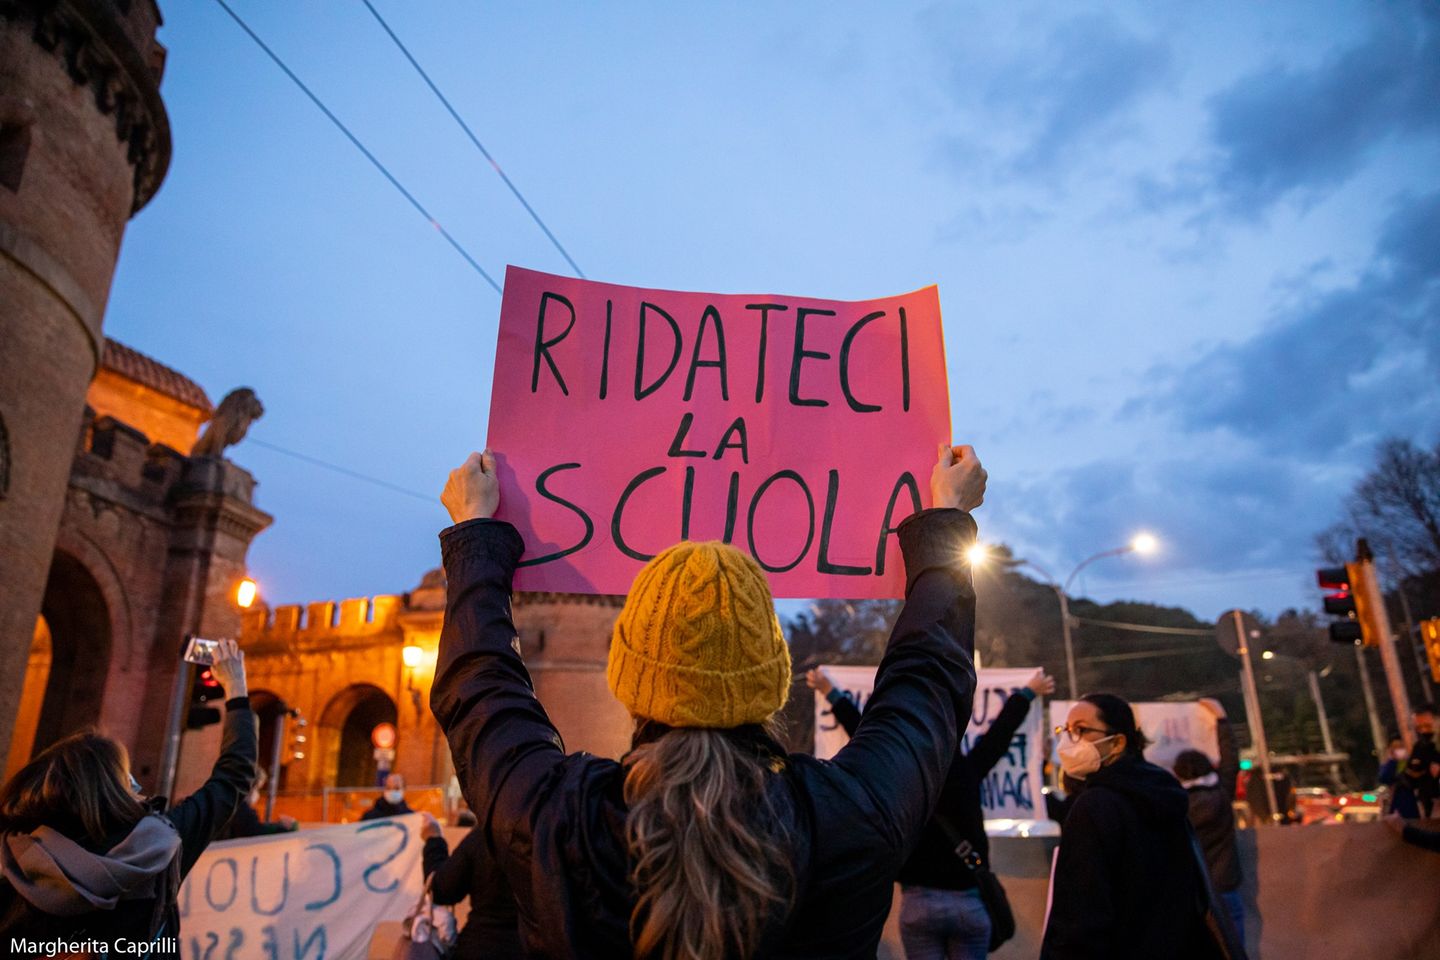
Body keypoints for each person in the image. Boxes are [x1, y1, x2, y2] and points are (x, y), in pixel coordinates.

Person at [431, 443, 986, 959]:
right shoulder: (848, 814)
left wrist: (477, 534)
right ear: (769, 678)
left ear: (629, 680)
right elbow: (927, 683)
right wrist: (945, 528)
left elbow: (481, 687)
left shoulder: (557, 818)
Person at [0, 639, 256, 951]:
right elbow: (234, 776)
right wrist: (237, 688)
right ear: (111, 789)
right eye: (126, 777)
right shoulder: (154, 848)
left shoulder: (11, 858)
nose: (135, 785)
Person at [807, 665, 1053, 959]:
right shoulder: (966, 771)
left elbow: (864, 733)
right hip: (969, 903)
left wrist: (830, 692)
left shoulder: (901, 777)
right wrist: (1027, 693)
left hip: (918, 905)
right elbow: (1000, 733)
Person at [1041, 693, 1244, 960]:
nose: (1068, 740)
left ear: (1117, 743)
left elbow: (1082, 914)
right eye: (1065, 730)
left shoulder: (1097, 805)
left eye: (1080, 730)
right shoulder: (1164, 795)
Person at [1173, 698, 1244, 944]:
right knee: (1234, 945)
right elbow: (1231, 759)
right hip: (1225, 886)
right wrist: (1221, 718)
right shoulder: (1222, 792)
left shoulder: (1174, 803)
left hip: (1189, 891)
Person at [419, 813, 524, 958]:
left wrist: (434, 841)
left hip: (481, 945)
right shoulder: (554, 834)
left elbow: (441, 889)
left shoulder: (485, 835)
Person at [217, 767, 298, 840]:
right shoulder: (242, 810)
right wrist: (284, 829)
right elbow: (255, 832)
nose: (257, 794)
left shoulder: (223, 802)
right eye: (257, 788)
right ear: (248, 787)